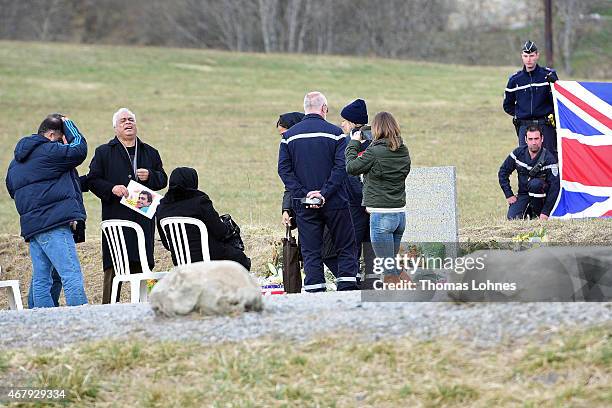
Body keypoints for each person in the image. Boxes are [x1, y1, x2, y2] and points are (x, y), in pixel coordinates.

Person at [278, 91, 359, 292]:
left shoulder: (288, 137)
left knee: (311, 249)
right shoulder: (336, 133)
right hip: (336, 202)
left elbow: (284, 170)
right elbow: (341, 167)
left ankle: (315, 288)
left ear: (305, 108)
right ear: (324, 109)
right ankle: (347, 287)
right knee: (345, 245)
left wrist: (305, 193)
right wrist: (324, 192)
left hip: (304, 204)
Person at [6, 114, 88, 307]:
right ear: (51, 135)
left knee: (42, 280)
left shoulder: (14, 163)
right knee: (71, 274)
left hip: (33, 228)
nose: (62, 145)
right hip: (54, 223)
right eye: (60, 140)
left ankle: (42, 323)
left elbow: (12, 190)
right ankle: (83, 320)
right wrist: (69, 124)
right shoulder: (49, 150)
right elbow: (79, 149)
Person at [87, 108, 167, 304]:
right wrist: (111, 188)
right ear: (115, 128)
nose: (128, 123)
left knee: (145, 266)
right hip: (117, 220)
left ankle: (151, 305)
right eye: (123, 120)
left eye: (131, 119)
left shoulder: (150, 151)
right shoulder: (104, 152)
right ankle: (107, 308)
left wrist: (150, 175)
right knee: (114, 268)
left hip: (143, 221)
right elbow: (92, 180)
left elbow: (163, 179)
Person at [345, 112, 411, 284]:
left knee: (388, 269)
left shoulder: (374, 152)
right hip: (399, 215)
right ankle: (412, 291)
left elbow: (351, 167)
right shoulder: (403, 150)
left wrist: (354, 142)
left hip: (381, 216)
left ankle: (396, 302)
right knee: (392, 263)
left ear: (376, 130)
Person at [277, 111, 339, 278]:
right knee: (312, 253)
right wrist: (287, 210)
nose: (283, 138)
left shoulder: (304, 148)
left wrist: (311, 196)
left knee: (325, 251)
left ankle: (350, 287)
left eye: (283, 133)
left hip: (326, 204)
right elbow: (289, 185)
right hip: (306, 205)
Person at [156, 167, 251, 270]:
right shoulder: (200, 202)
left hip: (181, 263)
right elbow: (221, 232)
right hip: (210, 258)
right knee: (240, 258)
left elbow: (167, 244)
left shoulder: (162, 207)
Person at [339, 99, 376, 288]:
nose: (341, 124)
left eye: (344, 121)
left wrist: (363, 200)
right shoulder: (377, 140)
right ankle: (369, 282)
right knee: (370, 247)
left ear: (353, 123)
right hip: (372, 203)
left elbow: (349, 172)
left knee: (356, 245)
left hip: (357, 204)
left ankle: (359, 282)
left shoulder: (352, 142)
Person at [503, 40, 559, 157]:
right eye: (526, 56)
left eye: (532, 56)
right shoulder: (514, 79)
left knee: (550, 158)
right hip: (525, 125)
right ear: (522, 57)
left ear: (537, 56)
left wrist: (555, 83)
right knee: (526, 159)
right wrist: (520, 113)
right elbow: (507, 105)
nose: (529, 59)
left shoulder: (548, 76)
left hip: (545, 124)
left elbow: (558, 100)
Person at [498, 125, 560, 220]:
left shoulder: (549, 159)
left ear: (542, 139)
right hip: (523, 194)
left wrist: (546, 212)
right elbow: (503, 172)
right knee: (512, 218)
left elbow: (554, 188)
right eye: (530, 139)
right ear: (525, 139)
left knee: (535, 184)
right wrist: (509, 194)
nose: (534, 142)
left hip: (541, 196)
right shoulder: (518, 153)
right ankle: (528, 212)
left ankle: (538, 213)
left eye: (536, 138)